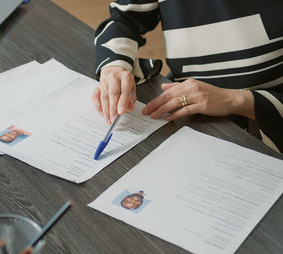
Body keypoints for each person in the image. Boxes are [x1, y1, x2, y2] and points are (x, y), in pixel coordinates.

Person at [92, 0, 283, 152]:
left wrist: (237, 100)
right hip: (186, 119)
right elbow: (124, 20)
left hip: (263, 129)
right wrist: (114, 67)